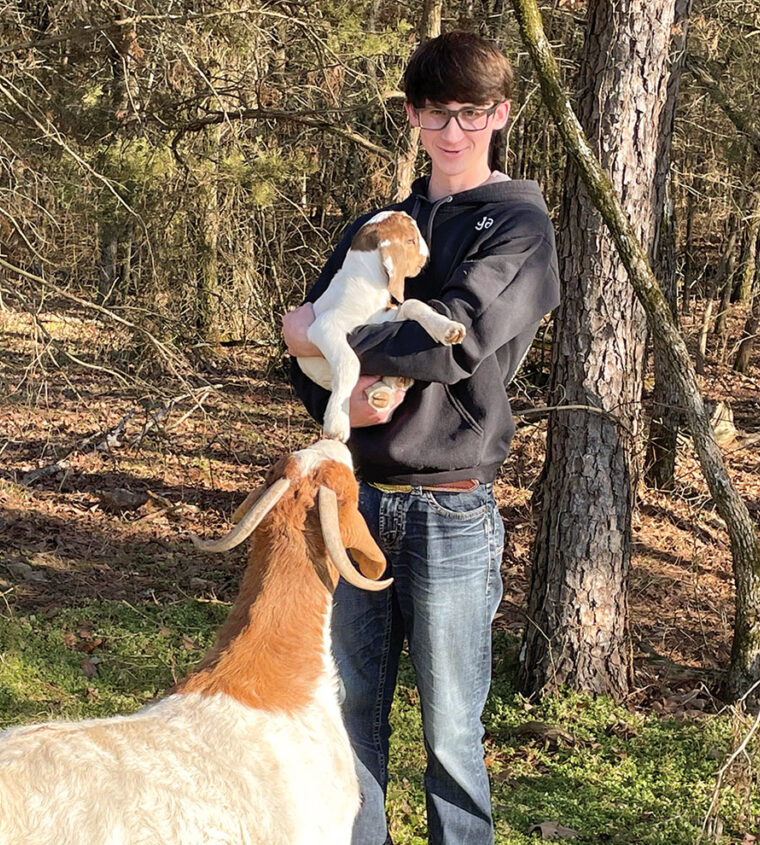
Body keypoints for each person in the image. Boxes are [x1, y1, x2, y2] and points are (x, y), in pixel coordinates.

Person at [281, 32, 560, 845]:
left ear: (501, 114)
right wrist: (324, 382)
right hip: (360, 498)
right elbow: (313, 336)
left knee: (450, 736)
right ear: (411, 116)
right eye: (435, 114)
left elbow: (455, 341)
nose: (452, 132)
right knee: (350, 715)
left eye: (471, 114)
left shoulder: (518, 225)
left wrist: (311, 342)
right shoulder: (379, 224)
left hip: (451, 506)